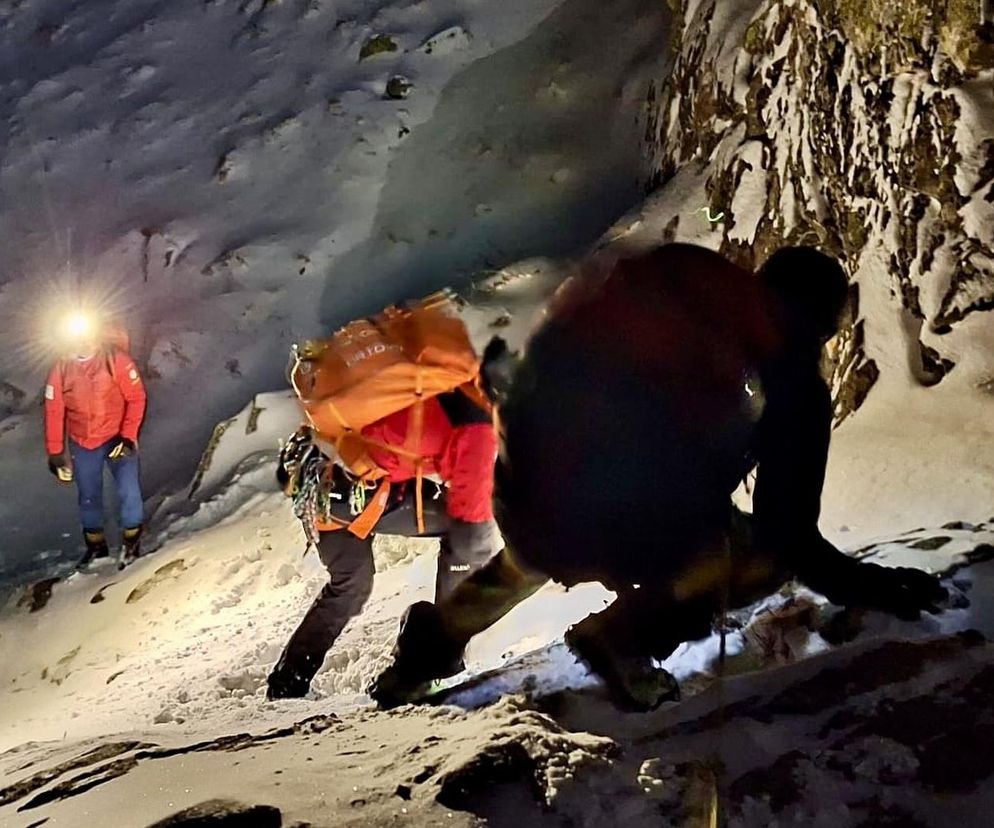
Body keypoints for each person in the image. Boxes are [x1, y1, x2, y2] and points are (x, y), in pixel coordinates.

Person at [369, 243, 948, 711]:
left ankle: (423, 656)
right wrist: (876, 587)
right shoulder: (789, 378)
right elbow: (789, 539)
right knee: (750, 554)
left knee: (551, 534)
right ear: (823, 322)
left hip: (526, 491)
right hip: (613, 520)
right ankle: (623, 640)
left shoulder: (687, 295)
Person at [266, 385, 500, 700]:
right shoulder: (480, 428)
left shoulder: (454, 385)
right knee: (468, 540)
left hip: (317, 474)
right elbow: (472, 514)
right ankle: (436, 662)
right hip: (354, 489)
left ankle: (286, 683)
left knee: (351, 584)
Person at [44, 320, 147, 568]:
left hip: (117, 440)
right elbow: (54, 410)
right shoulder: (61, 369)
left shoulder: (116, 361)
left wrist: (127, 435)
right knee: (88, 496)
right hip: (84, 442)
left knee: (129, 491)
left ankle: (132, 543)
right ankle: (96, 547)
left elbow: (136, 398)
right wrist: (55, 453)